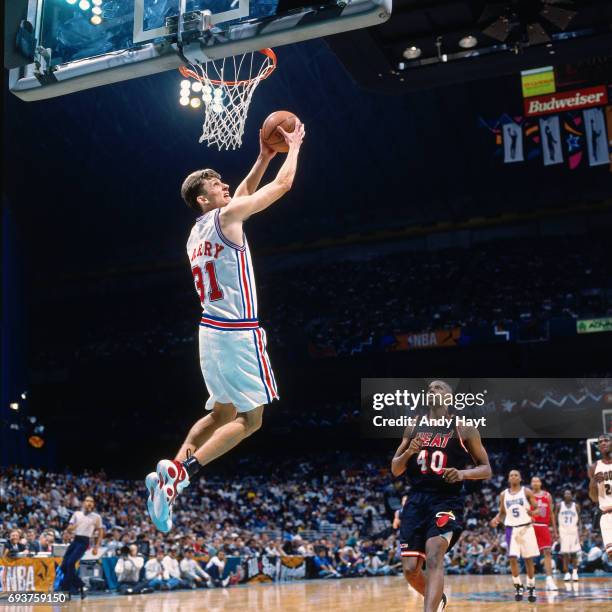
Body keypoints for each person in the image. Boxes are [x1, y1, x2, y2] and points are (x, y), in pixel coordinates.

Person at [146, 121, 306, 532]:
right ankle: (184, 474)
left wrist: (263, 157)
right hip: (239, 331)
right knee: (250, 421)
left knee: (220, 411)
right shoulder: (228, 216)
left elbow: (242, 197)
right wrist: (293, 149)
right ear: (204, 198)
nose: (226, 186)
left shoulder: (195, 232)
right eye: (218, 184)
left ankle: (169, 474)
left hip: (210, 331)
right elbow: (282, 187)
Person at [391, 380, 492, 612]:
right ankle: (437, 600)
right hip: (417, 500)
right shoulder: (413, 426)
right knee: (409, 569)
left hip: (446, 499)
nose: (432, 390)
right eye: (429, 388)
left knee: (435, 553)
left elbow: (486, 468)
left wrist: (462, 473)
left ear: (449, 397)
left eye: (439, 388)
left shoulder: (464, 428)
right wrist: (409, 452)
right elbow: (396, 469)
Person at [490, 470, 539, 603]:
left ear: (520, 478)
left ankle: (531, 586)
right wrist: (496, 519)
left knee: (528, 559)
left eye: (516, 475)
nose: (513, 476)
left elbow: (538, 508)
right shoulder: (503, 494)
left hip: (526, 527)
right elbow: (501, 512)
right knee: (512, 558)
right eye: (511, 475)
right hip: (511, 528)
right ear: (508, 479)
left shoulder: (527, 492)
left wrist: (533, 512)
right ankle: (518, 586)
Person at [57, 495, 103, 598]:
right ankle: (81, 585)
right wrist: (73, 527)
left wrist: (96, 546)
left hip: (84, 541)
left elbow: (100, 532)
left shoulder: (96, 517)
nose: (89, 503)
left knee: (70, 563)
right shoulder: (77, 514)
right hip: (75, 540)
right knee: (64, 566)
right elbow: (69, 529)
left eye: (91, 501)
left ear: (93, 504)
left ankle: (66, 590)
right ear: (83, 503)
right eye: (87, 501)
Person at [530, 476, 558, 590]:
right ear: (531, 484)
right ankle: (530, 580)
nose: (535, 483)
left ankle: (549, 579)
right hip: (531, 526)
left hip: (544, 526)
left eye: (537, 481)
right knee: (530, 555)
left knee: (547, 552)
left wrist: (555, 530)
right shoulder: (528, 495)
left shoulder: (547, 495)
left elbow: (551, 514)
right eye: (533, 481)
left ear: (540, 483)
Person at [588, 434, 612, 561]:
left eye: (606, 440)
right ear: (598, 447)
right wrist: (593, 481)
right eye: (600, 442)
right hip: (606, 515)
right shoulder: (594, 467)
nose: (603, 443)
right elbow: (593, 498)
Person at [557, 489, 581, 581]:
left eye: (569, 493)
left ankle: (575, 572)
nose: (567, 495)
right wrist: (556, 532)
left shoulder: (576, 506)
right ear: (564, 496)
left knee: (574, 553)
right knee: (565, 554)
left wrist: (581, 532)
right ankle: (566, 573)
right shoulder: (559, 505)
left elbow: (580, 520)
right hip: (563, 532)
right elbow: (555, 519)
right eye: (565, 493)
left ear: (571, 495)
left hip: (574, 531)